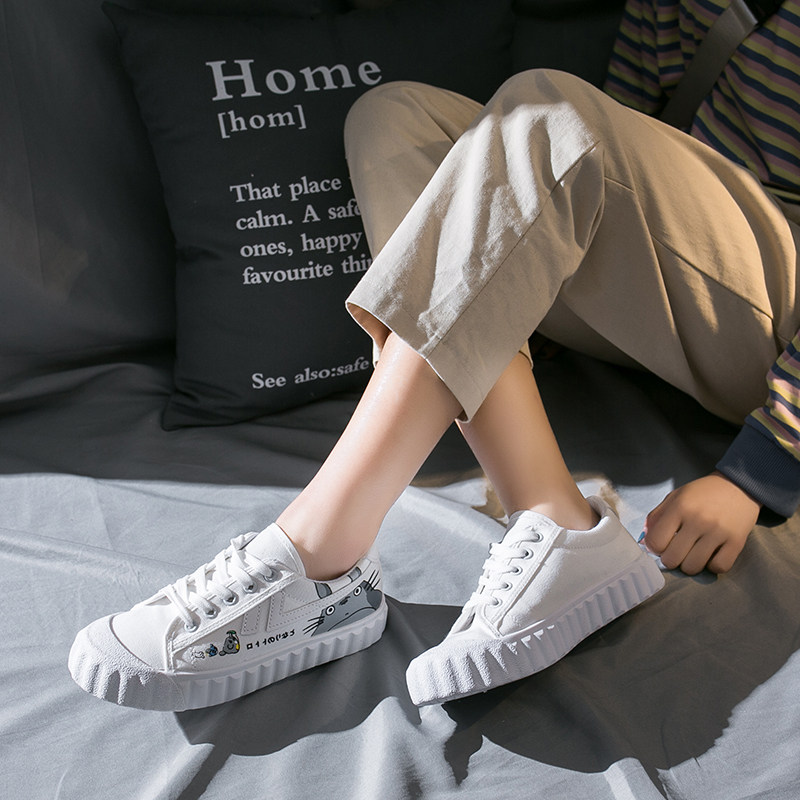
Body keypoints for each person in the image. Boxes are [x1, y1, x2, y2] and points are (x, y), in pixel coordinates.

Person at [69, 0, 800, 711]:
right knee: (393, 117)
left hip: (775, 317)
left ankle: (318, 554)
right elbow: (633, 137)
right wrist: (519, 293)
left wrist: (760, 471)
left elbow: (588, 136)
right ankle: (555, 517)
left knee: (551, 110)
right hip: (681, 279)